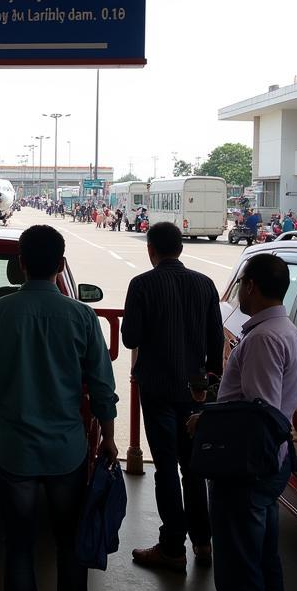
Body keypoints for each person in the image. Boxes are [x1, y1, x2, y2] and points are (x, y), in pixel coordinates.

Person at [0, 224, 118, 591]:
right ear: (62, 262)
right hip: (67, 451)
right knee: (70, 540)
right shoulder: (82, 317)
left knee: (18, 547)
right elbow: (103, 388)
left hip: (13, 451)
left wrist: (2, 425)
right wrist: (108, 438)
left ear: (21, 262)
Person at [185, 253, 297, 591]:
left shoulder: (262, 340)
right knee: (265, 574)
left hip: (245, 473)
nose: (238, 293)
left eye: (242, 286)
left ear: (253, 287)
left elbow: (259, 413)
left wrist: (206, 417)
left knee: (240, 583)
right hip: (268, 470)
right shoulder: (286, 332)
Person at [122, 221, 223, 572]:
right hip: (195, 390)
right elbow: (215, 344)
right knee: (194, 468)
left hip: (158, 389)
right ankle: (203, 542)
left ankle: (171, 547)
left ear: (151, 250)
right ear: (180, 248)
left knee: (165, 466)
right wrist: (208, 385)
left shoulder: (142, 285)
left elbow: (129, 337)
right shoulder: (206, 284)